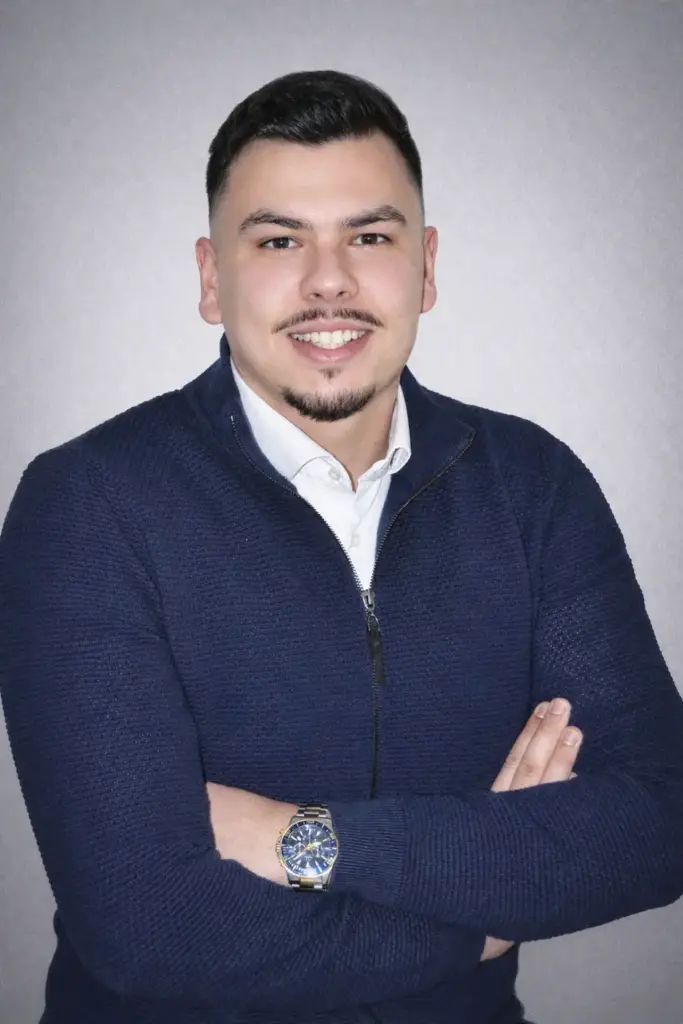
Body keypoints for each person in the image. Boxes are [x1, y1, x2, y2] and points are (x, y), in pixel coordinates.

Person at [1, 69, 682, 1024]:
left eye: (369, 236)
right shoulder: (86, 505)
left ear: (426, 267)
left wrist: (302, 839)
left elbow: (659, 819)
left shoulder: (533, 487)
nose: (329, 281)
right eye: (279, 240)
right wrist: (481, 916)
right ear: (211, 278)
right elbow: (147, 925)